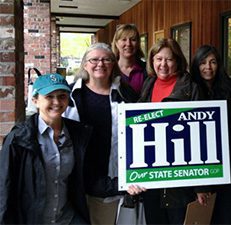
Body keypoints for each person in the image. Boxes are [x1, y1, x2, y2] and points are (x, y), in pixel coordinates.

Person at [0, 73, 91, 224]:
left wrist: (123, 185)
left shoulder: (78, 135)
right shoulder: (19, 139)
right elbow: (4, 187)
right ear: (35, 100)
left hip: (67, 219)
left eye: (62, 96)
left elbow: (87, 179)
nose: (56, 102)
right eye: (49, 96)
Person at [63, 42, 138, 225]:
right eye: (94, 59)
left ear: (113, 64)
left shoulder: (125, 94)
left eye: (106, 59)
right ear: (85, 64)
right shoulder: (70, 94)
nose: (100, 64)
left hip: (108, 182)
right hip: (75, 180)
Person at [136, 38, 202, 225]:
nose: (163, 64)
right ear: (152, 61)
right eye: (158, 59)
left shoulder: (191, 88)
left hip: (181, 174)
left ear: (178, 61)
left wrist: (201, 185)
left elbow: (203, 136)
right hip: (151, 171)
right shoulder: (148, 84)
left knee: (178, 219)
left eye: (169, 59)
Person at [190, 45, 231, 224]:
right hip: (202, 167)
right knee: (203, 216)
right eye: (203, 62)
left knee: (228, 215)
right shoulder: (188, 90)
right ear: (196, 65)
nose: (208, 67)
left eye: (213, 62)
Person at [112, 23, 147, 96]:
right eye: (124, 39)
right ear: (116, 43)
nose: (128, 44)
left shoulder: (147, 69)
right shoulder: (110, 70)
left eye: (133, 40)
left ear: (138, 43)